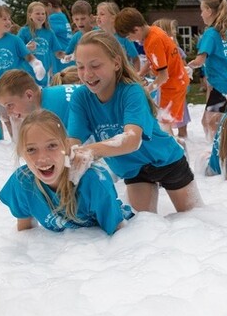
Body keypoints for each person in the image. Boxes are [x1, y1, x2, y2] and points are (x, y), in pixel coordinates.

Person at [68, 30, 203, 213]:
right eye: (80, 67)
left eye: (95, 65)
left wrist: (90, 151)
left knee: (194, 219)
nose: (87, 74)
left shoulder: (131, 91)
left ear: (116, 63)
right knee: (143, 227)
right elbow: (72, 143)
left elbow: (132, 139)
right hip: (133, 171)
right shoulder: (80, 98)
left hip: (167, 160)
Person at [0, 109, 133, 233]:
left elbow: (118, 236)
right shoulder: (22, 182)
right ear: (22, 152)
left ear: (66, 146)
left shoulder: (93, 181)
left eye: (52, 146)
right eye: (31, 150)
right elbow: (27, 235)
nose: (42, 158)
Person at [115, 7, 190, 130]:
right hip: (175, 81)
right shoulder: (153, 32)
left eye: (129, 37)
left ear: (136, 29)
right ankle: (176, 144)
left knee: (164, 124)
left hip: (173, 84)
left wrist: (146, 91)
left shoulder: (153, 41)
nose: (130, 40)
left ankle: (176, 147)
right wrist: (139, 75)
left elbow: (163, 76)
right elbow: (152, 61)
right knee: (164, 122)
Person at [0, 5, 44, 138]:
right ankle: (16, 143)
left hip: (16, 87)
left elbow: (28, 56)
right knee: (6, 118)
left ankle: (27, 142)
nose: (9, 22)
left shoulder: (15, 40)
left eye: (9, 18)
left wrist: (37, 65)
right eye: (4, 19)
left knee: (20, 116)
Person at [186, 0, 227, 140]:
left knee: (211, 123)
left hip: (223, 87)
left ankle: (219, 154)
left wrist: (186, 68)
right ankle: (218, 150)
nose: (201, 14)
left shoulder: (211, 33)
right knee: (207, 122)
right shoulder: (226, 34)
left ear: (209, 11)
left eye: (202, 10)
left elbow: (199, 60)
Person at [0, 68, 73, 127]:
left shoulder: (49, 116)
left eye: (10, 105)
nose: (9, 113)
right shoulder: (54, 94)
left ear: (29, 95)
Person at [153, 17, 191, 138]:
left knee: (179, 118)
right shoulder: (159, 51)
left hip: (174, 89)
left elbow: (184, 68)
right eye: (173, 32)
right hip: (165, 89)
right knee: (166, 119)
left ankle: (181, 140)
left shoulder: (177, 50)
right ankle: (175, 141)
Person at [17, 1, 65, 87]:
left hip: (44, 75)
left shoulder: (49, 32)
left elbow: (58, 52)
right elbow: (16, 51)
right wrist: (26, 48)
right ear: (30, 15)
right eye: (37, 13)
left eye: (43, 14)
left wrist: (67, 56)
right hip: (26, 74)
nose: (41, 16)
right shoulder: (23, 31)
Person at [96, 1, 140, 70]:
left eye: (102, 14)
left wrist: (137, 75)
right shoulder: (98, 36)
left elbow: (135, 59)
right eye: (97, 14)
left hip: (124, 72)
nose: (98, 17)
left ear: (113, 18)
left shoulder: (123, 36)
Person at [39, 0, 73, 73]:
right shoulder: (62, 16)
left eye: (43, 9)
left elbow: (40, 32)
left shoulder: (54, 18)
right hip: (66, 61)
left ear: (49, 5)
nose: (42, 14)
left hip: (61, 63)